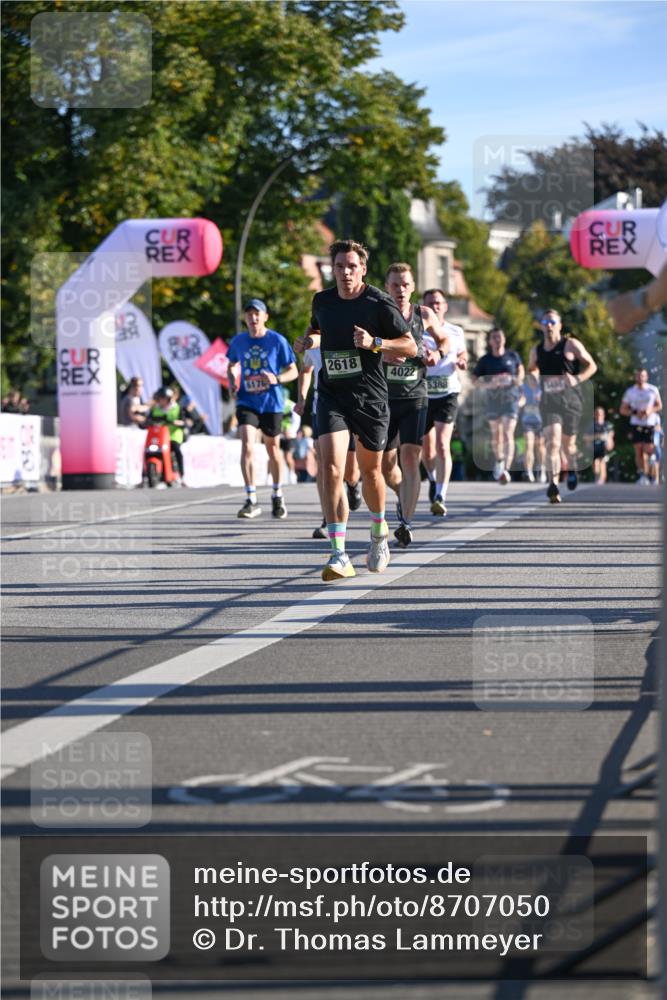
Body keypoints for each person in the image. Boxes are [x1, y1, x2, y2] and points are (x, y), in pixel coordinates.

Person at [295, 240, 418, 581]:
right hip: (333, 393)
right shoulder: (322, 301)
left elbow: (410, 345)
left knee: (371, 472)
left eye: (351, 266)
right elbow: (318, 330)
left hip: (370, 398)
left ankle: (379, 533)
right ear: (331, 269)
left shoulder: (378, 302)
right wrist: (307, 342)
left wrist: (375, 343)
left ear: (363, 269)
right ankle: (338, 553)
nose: (345, 272)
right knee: (331, 468)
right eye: (339, 266)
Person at [382, 263, 448, 547]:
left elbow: (443, 339)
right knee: (386, 467)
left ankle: (406, 523)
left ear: (413, 286)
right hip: (384, 399)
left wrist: (439, 353)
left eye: (406, 284)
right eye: (395, 284)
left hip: (415, 396)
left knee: (411, 458)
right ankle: (403, 496)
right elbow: (360, 346)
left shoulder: (424, 314)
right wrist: (382, 355)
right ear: (387, 286)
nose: (401, 290)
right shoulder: (379, 313)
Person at [227, 298, 298, 519]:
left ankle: (277, 494)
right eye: (249, 314)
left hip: (271, 402)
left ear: (265, 316)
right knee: (247, 444)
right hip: (247, 401)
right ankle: (251, 499)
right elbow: (231, 364)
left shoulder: (277, 341)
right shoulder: (238, 342)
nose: (253, 318)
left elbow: (293, 371)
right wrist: (231, 381)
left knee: (272, 449)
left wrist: (276, 378)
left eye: (257, 313)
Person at [528, 308, 597, 504]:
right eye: (545, 322)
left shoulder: (571, 345)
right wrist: (535, 384)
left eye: (552, 322)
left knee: (569, 445)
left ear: (560, 325)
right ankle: (554, 484)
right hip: (549, 401)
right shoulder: (537, 350)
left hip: (571, 401)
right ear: (541, 327)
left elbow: (592, 365)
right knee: (553, 443)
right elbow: (531, 370)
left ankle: (572, 468)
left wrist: (578, 378)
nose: (548, 325)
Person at [296, 344, 362, 540]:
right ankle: (328, 516)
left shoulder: (349, 333)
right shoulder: (313, 344)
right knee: (326, 467)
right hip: (322, 408)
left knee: (350, 471)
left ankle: (352, 485)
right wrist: (301, 399)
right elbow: (306, 370)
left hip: (350, 407)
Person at [421, 288, 468, 514]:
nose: (435, 306)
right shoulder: (417, 331)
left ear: (445, 306)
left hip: (448, 392)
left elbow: (463, 354)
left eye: (438, 302)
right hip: (422, 393)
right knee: (427, 450)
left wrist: (461, 360)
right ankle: (432, 478)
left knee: (442, 444)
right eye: (430, 303)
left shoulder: (455, 331)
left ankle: (441, 493)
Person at [473, 328, 524, 484]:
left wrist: (517, 380)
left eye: (500, 336)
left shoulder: (512, 356)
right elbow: (475, 381)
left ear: (504, 339)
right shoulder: (485, 360)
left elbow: (521, 372)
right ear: (490, 341)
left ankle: (506, 470)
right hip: (493, 401)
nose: (497, 339)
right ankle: (499, 460)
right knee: (497, 435)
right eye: (494, 337)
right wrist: (490, 384)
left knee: (508, 433)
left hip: (510, 400)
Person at [620, 368, 663, 485]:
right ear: (635, 377)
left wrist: (650, 410)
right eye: (638, 376)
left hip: (650, 424)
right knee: (638, 451)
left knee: (649, 450)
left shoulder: (652, 390)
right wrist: (634, 412)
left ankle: (654, 475)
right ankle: (643, 475)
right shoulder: (630, 391)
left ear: (646, 377)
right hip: (636, 423)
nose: (640, 378)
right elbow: (622, 409)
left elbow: (659, 406)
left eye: (643, 376)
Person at [149, 386, 186, 484]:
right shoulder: (156, 409)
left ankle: (181, 475)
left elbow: (183, 422)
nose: (161, 401)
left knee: (176, 450)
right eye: (160, 398)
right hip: (159, 436)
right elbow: (149, 420)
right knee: (148, 451)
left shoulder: (177, 407)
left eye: (163, 398)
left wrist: (174, 422)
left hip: (173, 435)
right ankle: (145, 475)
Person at [519, 372, 546, 483]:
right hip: (527, 421)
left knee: (540, 446)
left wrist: (542, 400)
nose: (533, 379)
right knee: (528, 445)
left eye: (535, 377)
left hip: (540, 421)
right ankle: (528, 471)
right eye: (530, 377)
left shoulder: (542, 387)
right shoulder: (523, 387)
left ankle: (541, 468)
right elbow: (519, 399)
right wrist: (520, 402)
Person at [586, 406, 615, 484]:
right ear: (595, 415)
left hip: (604, 447)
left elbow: (611, 435)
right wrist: (597, 436)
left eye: (601, 414)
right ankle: (598, 476)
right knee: (595, 463)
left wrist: (610, 443)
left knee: (602, 461)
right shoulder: (591, 425)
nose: (599, 416)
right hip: (594, 447)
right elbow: (585, 437)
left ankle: (601, 478)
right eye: (597, 414)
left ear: (604, 415)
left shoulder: (607, 425)